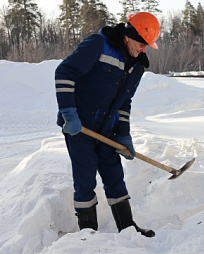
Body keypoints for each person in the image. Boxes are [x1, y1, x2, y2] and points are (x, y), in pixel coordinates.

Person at [54, 12, 160, 238]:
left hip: (107, 130)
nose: (144, 49)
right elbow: (64, 72)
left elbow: (124, 103)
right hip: (79, 126)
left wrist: (123, 135)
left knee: (114, 176)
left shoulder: (137, 66)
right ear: (129, 36)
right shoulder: (98, 44)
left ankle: (128, 229)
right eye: (142, 43)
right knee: (85, 179)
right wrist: (69, 113)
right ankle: (88, 235)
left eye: (147, 46)